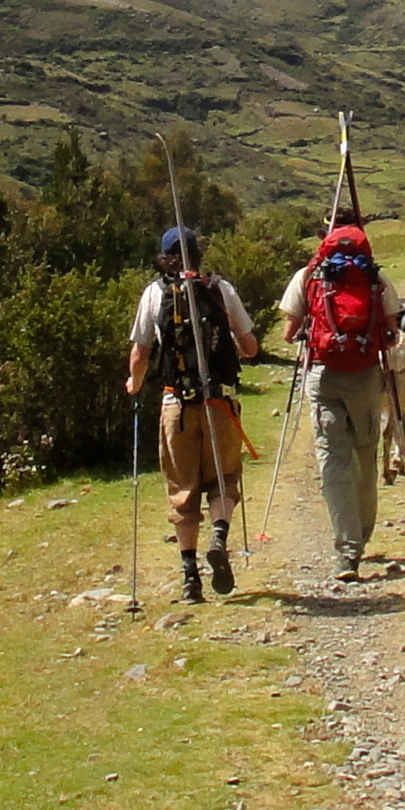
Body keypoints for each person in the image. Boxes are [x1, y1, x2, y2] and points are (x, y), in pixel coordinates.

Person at [126, 225, 259, 605]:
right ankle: (219, 534)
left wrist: (134, 385)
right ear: (199, 256)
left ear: (163, 257)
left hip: (176, 407)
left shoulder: (154, 294)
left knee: (183, 492)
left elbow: (140, 355)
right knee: (224, 478)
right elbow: (250, 347)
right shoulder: (221, 289)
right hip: (219, 405)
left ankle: (190, 580)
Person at [275, 221, 402, 581]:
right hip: (364, 377)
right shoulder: (376, 277)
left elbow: (287, 334)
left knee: (332, 461)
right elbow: (392, 334)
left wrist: (311, 331)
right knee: (366, 456)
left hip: (323, 375)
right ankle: (361, 537)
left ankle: (346, 551)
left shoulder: (309, 275)